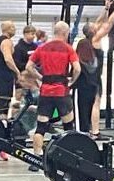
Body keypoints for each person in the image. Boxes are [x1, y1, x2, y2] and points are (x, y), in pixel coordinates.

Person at [25, 21, 81, 171]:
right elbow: (77, 68)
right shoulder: (68, 49)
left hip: (45, 92)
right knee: (68, 126)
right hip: (62, 92)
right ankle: (70, 157)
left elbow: (28, 67)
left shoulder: (42, 48)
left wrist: (40, 77)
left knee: (41, 127)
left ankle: (36, 159)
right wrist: (71, 81)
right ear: (65, 33)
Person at [75, 0, 114, 137]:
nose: (97, 25)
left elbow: (98, 22)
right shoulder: (95, 39)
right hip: (93, 78)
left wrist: (106, 8)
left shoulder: (85, 40)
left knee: (88, 105)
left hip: (87, 78)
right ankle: (95, 131)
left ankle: (89, 130)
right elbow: (108, 24)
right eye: (95, 27)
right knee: (95, 104)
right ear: (92, 31)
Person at [11, 25, 40, 134]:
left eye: (34, 34)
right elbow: (17, 63)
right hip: (22, 77)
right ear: (25, 34)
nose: (32, 36)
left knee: (34, 99)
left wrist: (34, 69)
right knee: (19, 102)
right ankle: (15, 123)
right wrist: (25, 71)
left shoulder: (36, 47)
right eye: (31, 34)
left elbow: (39, 60)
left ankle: (34, 125)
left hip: (32, 77)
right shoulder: (19, 47)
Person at [0, 21, 19, 121]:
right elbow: (8, 59)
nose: (15, 29)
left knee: (3, 100)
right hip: (4, 75)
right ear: (9, 29)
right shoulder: (6, 41)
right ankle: (0, 122)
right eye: (13, 27)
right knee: (4, 100)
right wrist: (17, 71)